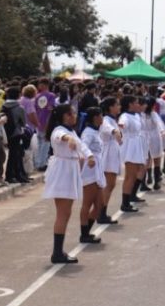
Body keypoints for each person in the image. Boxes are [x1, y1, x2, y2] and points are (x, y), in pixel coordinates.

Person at [43, 104, 95, 264]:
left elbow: (82, 145)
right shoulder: (59, 130)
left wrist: (90, 156)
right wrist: (69, 139)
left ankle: (59, 251)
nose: (74, 116)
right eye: (71, 114)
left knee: (66, 213)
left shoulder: (71, 131)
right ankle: (57, 253)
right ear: (64, 116)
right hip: (62, 172)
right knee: (62, 213)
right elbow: (61, 137)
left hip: (69, 171)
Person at [79, 107, 105, 244]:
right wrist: (89, 156)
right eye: (101, 116)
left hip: (97, 169)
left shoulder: (96, 130)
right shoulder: (88, 132)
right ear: (95, 117)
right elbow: (83, 145)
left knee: (100, 204)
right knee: (87, 203)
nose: (103, 118)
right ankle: (84, 234)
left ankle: (87, 231)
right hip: (90, 170)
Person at [118, 95, 145, 213]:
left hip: (136, 144)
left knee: (137, 173)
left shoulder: (137, 115)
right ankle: (125, 203)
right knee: (130, 175)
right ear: (130, 104)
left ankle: (130, 197)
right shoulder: (125, 116)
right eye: (136, 102)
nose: (138, 104)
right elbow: (121, 125)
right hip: (130, 146)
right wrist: (119, 129)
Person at [97, 97, 121, 224]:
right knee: (108, 184)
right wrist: (115, 131)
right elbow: (107, 128)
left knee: (110, 184)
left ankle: (102, 211)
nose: (119, 107)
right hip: (108, 153)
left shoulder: (113, 119)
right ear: (111, 107)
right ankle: (101, 212)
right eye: (117, 104)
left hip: (112, 152)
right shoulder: (106, 120)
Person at [1, 87, 30, 184]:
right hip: (16, 133)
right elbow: (23, 123)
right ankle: (13, 175)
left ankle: (16, 175)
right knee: (16, 155)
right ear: (18, 95)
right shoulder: (20, 108)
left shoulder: (3, 106)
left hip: (5, 133)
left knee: (12, 155)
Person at [34, 78, 57, 171]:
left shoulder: (37, 96)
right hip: (47, 121)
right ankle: (42, 163)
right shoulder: (51, 95)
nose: (39, 86)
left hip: (38, 122)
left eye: (40, 84)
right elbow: (51, 109)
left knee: (40, 143)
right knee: (45, 143)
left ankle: (38, 162)